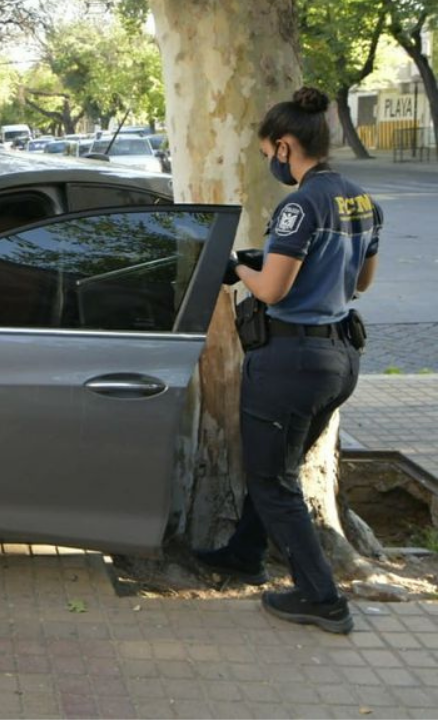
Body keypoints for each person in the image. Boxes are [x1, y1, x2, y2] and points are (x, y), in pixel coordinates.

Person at [196, 86, 381, 634]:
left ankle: (322, 597)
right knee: (276, 467)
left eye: (266, 154)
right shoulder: (358, 198)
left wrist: (235, 266)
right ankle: (245, 554)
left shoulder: (300, 203)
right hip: (339, 359)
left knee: (272, 479)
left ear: (284, 147)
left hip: (292, 361)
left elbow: (273, 291)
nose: (269, 164)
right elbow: (362, 281)